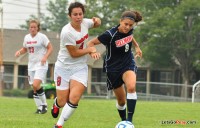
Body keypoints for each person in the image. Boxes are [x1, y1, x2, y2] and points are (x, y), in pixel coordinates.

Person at [51, 2, 101, 128]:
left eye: (80, 14)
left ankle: (59, 125)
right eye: (75, 14)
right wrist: (90, 50)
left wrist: (97, 20)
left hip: (79, 67)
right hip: (63, 68)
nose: (78, 17)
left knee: (74, 97)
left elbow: (96, 23)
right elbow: (74, 53)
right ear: (69, 16)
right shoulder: (67, 32)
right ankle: (56, 105)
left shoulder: (85, 22)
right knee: (62, 101)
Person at [87, 10, 143, 123]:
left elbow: (131, 36)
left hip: (128, 63)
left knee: (131, 87)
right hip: (113, 68)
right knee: (121, 102)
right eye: (125, 24)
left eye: (130, 25)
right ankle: (123, 121)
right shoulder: (110, 34)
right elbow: (90, 43)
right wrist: (92, 52)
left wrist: (137, 47)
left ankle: (129, 122)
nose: (128, 27)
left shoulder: (130, 29)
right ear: (120, 21)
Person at [15, 19, 53, 114]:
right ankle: (39, 108)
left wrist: (45, 57)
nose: (32, 29)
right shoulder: (27, 37)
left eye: (34, 27)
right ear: (29, 28)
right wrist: (19, 52)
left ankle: (44, 105)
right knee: (34, 87)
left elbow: (50, 48)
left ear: (38, 28)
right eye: (31, 27)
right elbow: (25, 49)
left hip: (41, 64)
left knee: (36, 84)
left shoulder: (42, 37)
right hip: (31, 65)